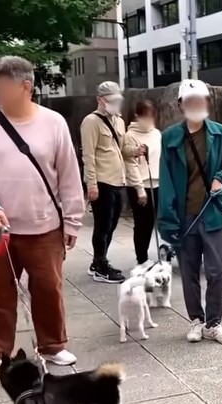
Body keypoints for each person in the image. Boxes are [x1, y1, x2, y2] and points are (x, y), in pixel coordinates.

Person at [0, 56, 85, 376]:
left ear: (26, 87)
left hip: (45, 225)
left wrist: (73, 219)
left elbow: (69, 176)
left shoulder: (54, 122)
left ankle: (53, 345)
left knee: (48, 287)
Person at [157, 79, 222, 345]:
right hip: (185, 217)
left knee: (217, 272)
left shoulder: (220, 133)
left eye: (201, 100)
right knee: (190, 272)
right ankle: (196, 319)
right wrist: (168, 221)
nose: (197, 105)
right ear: (181, 105)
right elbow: (166, 181)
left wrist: (221, 179)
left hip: (214, 214)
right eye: (191, 101)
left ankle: (213, 323)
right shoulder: (170, 137)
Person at [80, 81, 127, 283]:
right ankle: (100, 265)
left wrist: (137, 151)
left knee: (112, 224)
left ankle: (99, 260)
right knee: (102, 224)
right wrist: (92, 184)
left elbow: (122, 149)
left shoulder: (119, 121)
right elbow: (88, 156)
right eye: (112, 100)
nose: (116, 104)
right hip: (102, 181)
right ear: (101, 100)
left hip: (118, 180)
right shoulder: (91, 122)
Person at [122, 100, 162, 266]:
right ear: (138, 116)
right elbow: (131, 164)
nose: (149, 120)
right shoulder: (130, 136)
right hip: (139, 185)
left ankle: (148, 255)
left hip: (157, 184)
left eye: (152, 116)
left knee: (152, 221)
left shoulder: (157, 134)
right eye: (145, 116)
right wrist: (140, 189)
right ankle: (142, 258)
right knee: (142, 223)